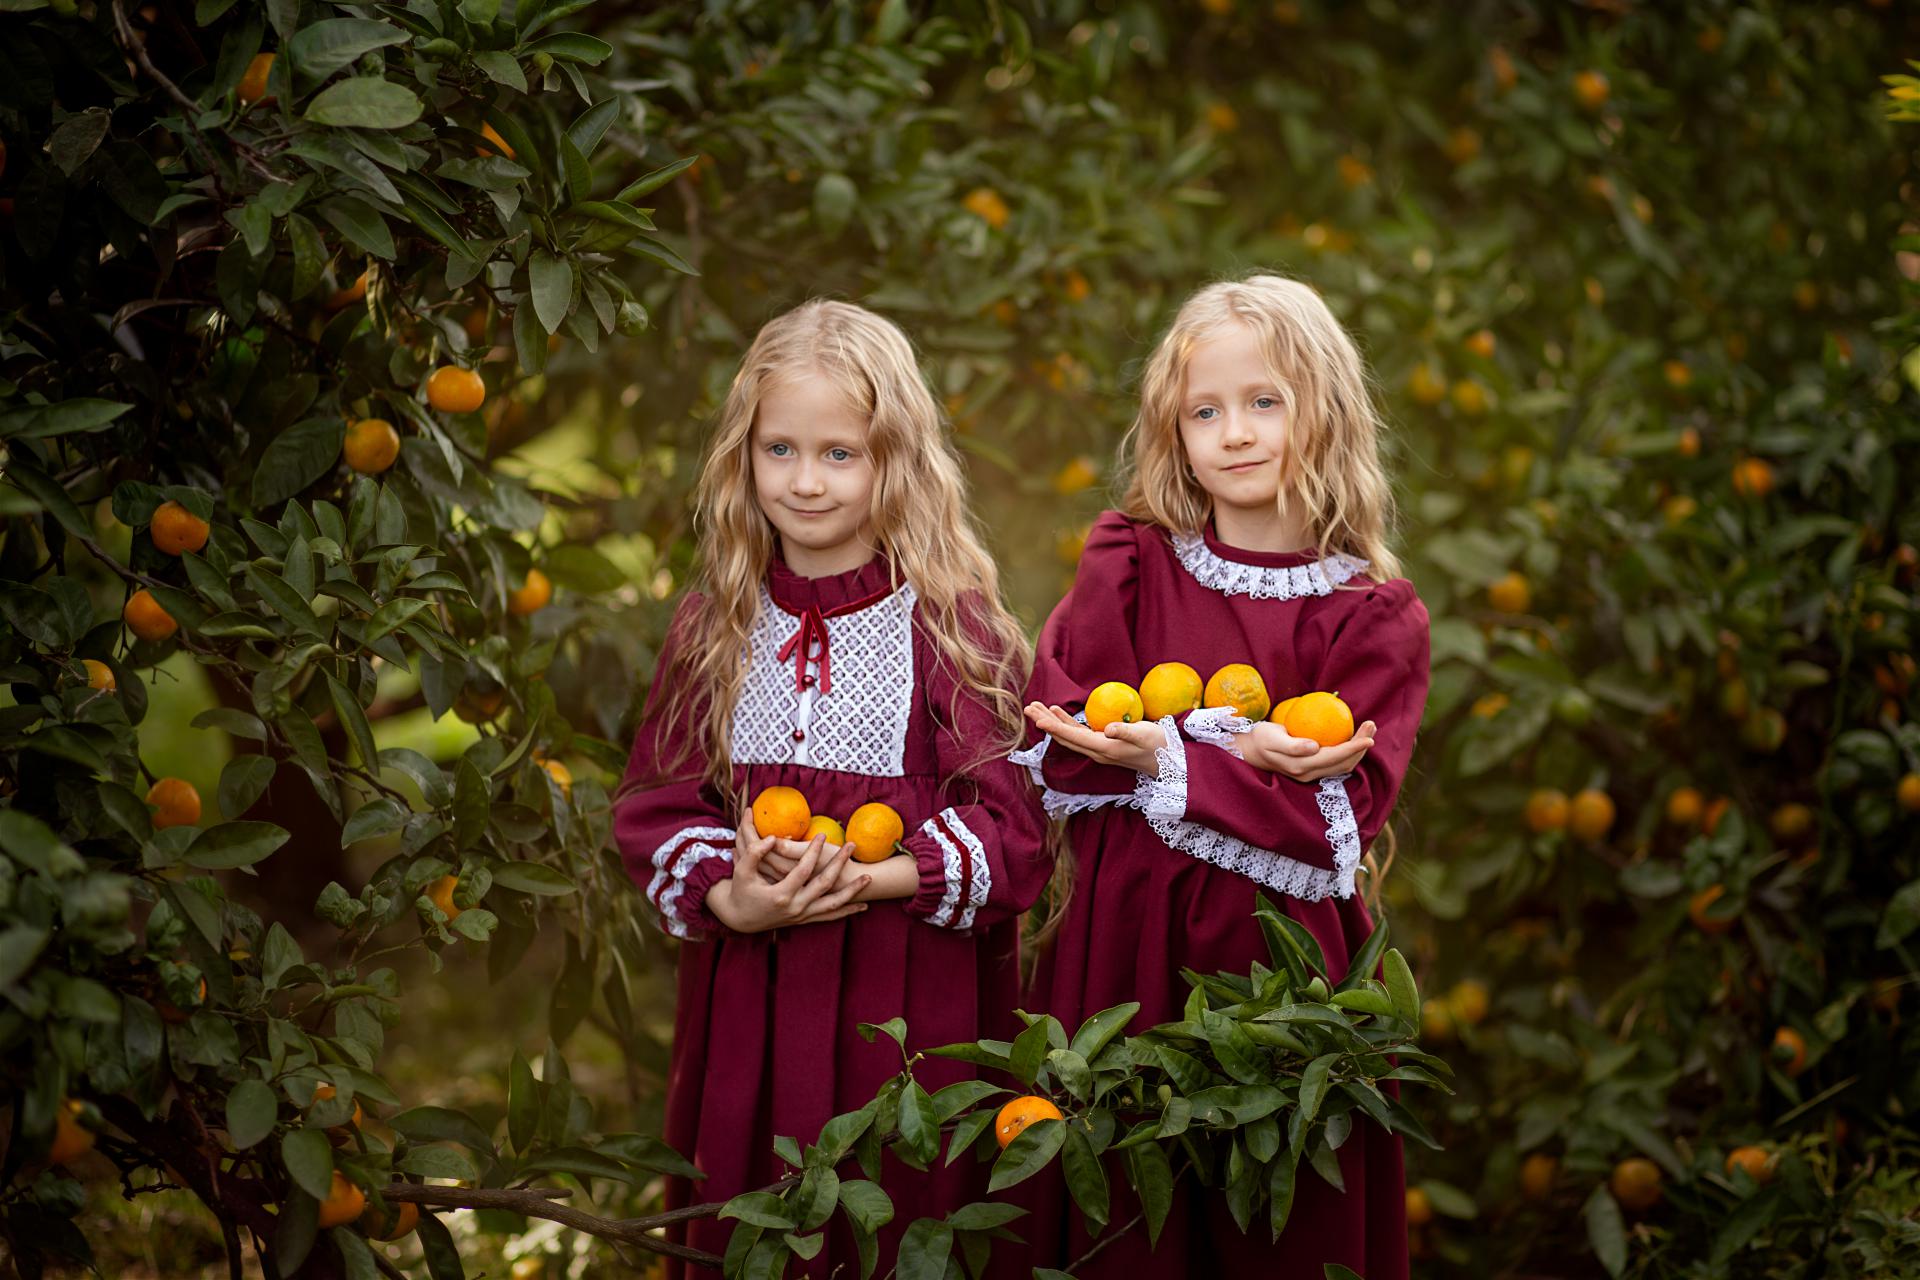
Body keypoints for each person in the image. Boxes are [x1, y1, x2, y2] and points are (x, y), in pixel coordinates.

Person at [611, 299, 1052, 1278]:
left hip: (906, 1009)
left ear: (895, 458)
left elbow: (1017, 837)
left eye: (840, 453)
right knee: (754, 1215)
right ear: (745, 455)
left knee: (893, 1214)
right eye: (780, 449)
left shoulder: (951, 627)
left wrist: (873, 878)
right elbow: (657, 803)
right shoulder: (715, 625)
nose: (805, 481)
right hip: (752, 1003)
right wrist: (733, 890)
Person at [1016, 273, 1431, 1280]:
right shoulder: (1129, 562)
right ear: (1174, 430)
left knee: (1271, 1223)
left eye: (1264, 402)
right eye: (1205, 410)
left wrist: (1168, 750)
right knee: (1120, 1199)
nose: (1234, 432)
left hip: (1273, 964)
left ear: (1322, 413)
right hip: (1118, 946)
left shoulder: (1373, 617)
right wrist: (1222, 744)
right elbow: (1065, 731)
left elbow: (1333, 823)